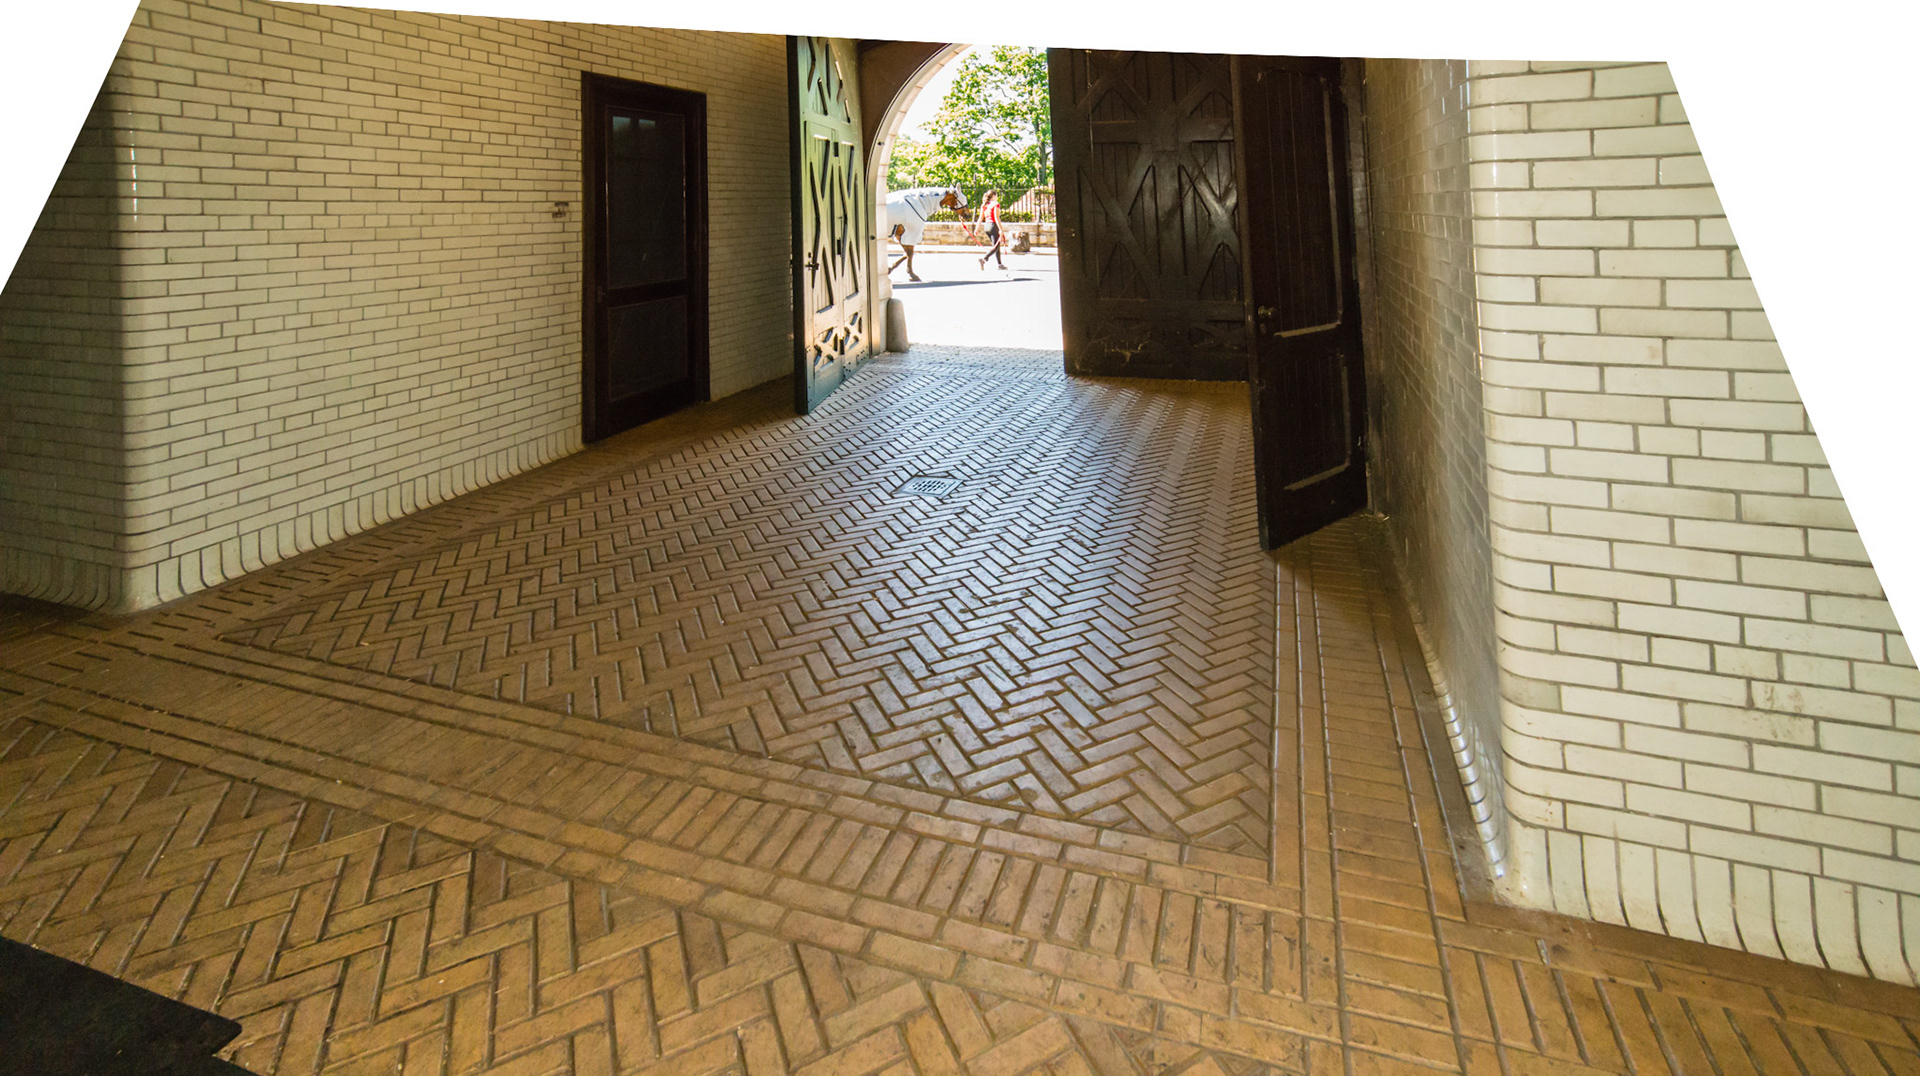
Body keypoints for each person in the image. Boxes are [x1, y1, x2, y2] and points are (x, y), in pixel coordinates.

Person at [976, 190, 1006, 271]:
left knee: (996, 245)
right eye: (996, 195)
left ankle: (1000, 264)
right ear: (993, 196)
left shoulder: (984, 205)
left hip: (987, 226)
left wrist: (977, 228)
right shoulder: (996, 204)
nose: (997, 197)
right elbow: (997, 218)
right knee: (996, 246)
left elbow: (980, 218)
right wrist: (1000, 229)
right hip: (993, 226)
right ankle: (984, 259)